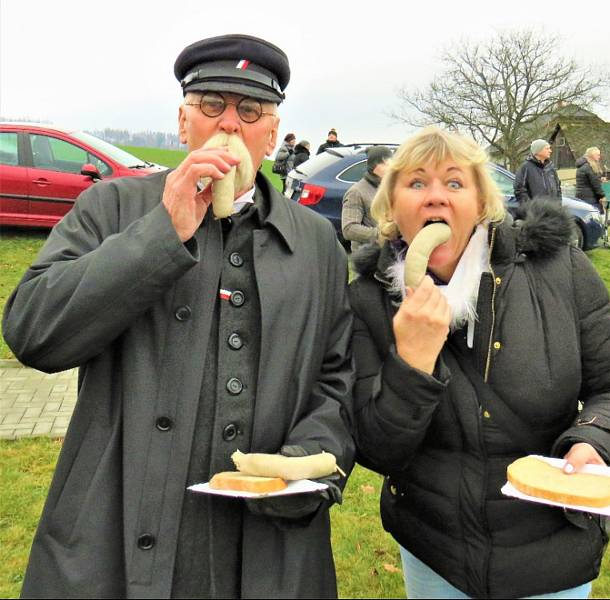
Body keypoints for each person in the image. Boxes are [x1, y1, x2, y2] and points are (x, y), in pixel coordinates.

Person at [2, 34, 355, 598]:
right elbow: (33, 333)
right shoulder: (112, 209)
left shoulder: (316, 243)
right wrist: (160, 233)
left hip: (264, 544)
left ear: (272, 133)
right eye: (211, 105)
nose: (229, 124)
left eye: (250, 110)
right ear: (183, 122)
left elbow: (337, 381)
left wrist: (301, 461)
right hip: (115, 529)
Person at [348, 126, 610, 599]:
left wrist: (596, 439)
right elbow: (377, 451)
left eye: (454, 183)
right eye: (416, 183)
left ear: (481, 202)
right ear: (392, 207)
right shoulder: (369, 300)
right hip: (436, 551)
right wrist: (412, 360)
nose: (436, 199)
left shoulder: (558, 269)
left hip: (551, 548)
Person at [341, 145, 392, 252]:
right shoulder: (356, 192)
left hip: (388, 253)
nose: (391, 167)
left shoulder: (389, 187)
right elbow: (349, 229)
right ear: (375, 166)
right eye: (386, 163)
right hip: (368, 257)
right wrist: (382, 235)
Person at [513, 138, 562, 205]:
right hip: (536, 213)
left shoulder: (550, 168)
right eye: (547, 149)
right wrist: (530, 208)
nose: (550, 151)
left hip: (553, 212)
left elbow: (558, 188)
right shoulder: (526, 167)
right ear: (538, 151)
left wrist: (558, 205)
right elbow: (519, 190)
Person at [574, 146, 606, 212]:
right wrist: (603, 195)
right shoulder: (590, 167)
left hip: (581, 197)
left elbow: (588, 181)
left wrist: (599, 179)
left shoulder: (582, 166)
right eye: (598, 155)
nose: (599, 157)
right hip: (590, 199)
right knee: (594, 218)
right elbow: (595, 184)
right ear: (592, 155)